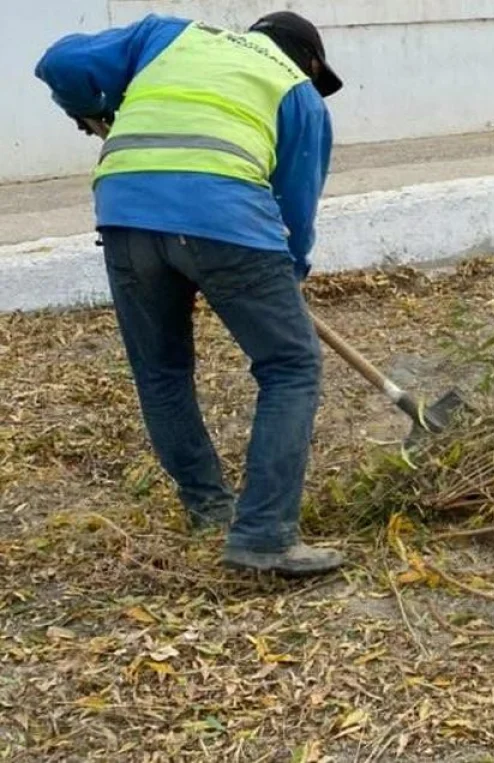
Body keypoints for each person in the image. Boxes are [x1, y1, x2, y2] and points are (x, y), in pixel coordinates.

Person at [35, 12, 345, 577]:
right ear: (310, 61)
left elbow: (59, 63)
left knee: (161, 373)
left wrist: (93, 107)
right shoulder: (299, 94)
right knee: (290, 364)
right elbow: (294, 209)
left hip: (126, 213)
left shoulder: (168, 36)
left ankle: (210, 509)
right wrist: (287, 275)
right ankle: (264, 536)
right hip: (226, 219)